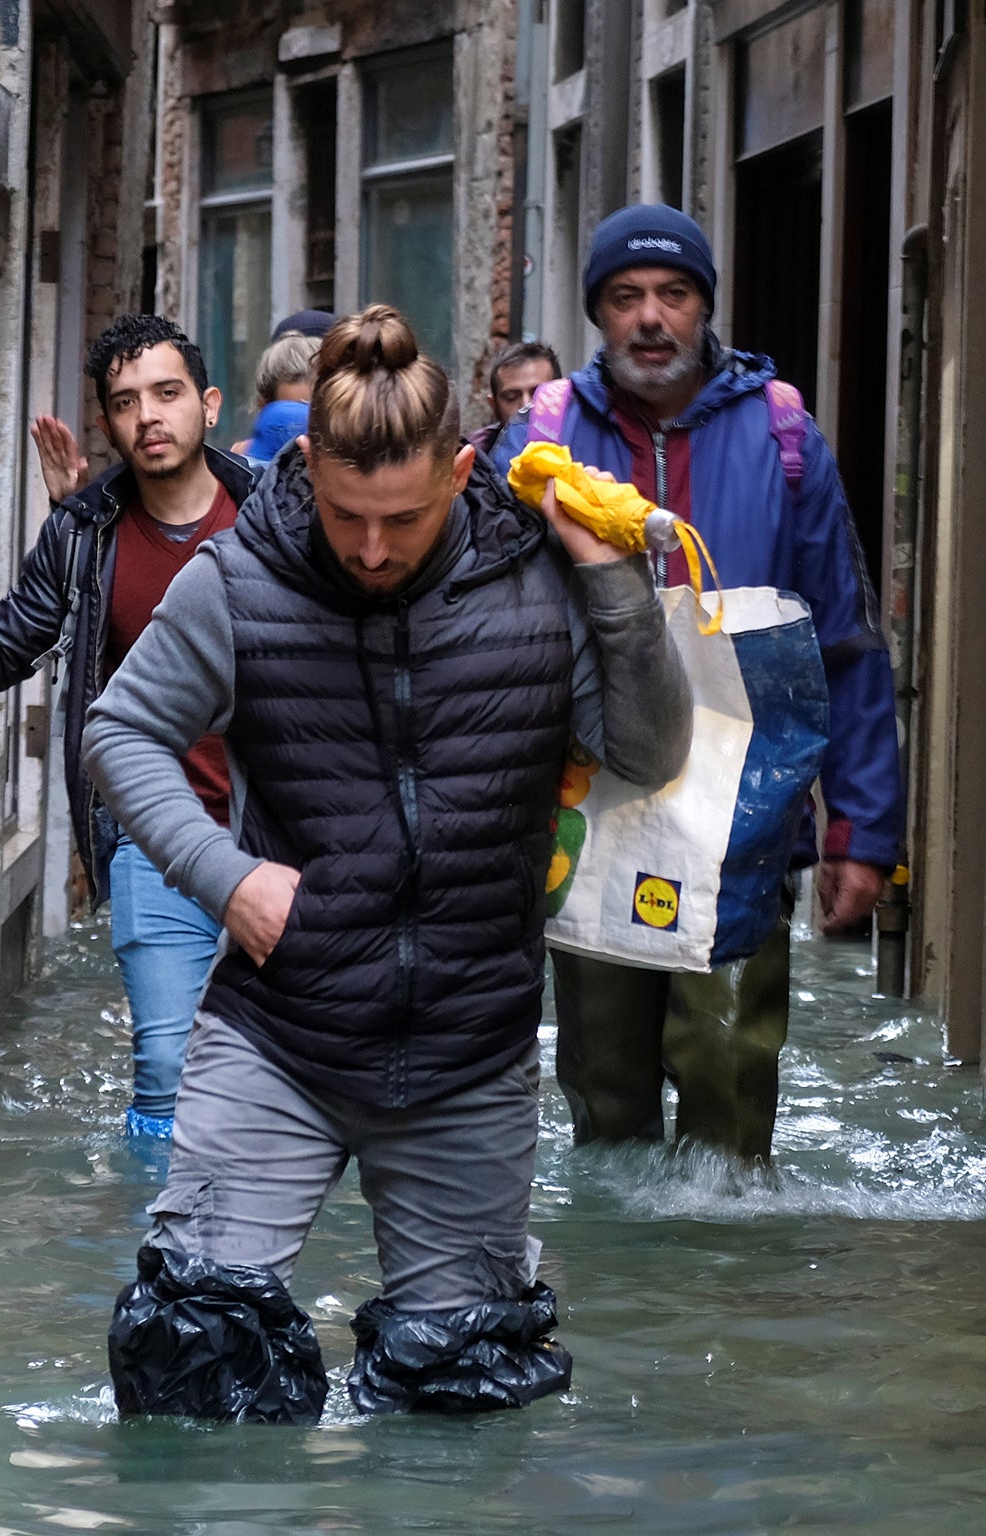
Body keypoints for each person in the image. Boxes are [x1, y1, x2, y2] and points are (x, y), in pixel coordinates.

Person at [82, 304, 691, 1421]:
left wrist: (609, 581)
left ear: (462, 471)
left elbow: (649, 752)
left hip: (468, 1048)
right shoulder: (239, 582)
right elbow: (118, 733)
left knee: (453, 1409)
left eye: (401, 520)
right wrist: (227, 878)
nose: (369, 548)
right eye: (344, 513)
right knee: (191, 1372)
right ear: (303, 465)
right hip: (280, 1034)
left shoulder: (541, 586)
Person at [495, 203, 904, 1165]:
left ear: (704, 307)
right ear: (598, 312)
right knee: (604, 1088)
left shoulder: (784, 435)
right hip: (591, 800)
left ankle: (719, 1288)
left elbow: (842, 643)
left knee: (730, 1074)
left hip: (746, 817)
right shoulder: (543, 439)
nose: (651, 317)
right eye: (627, 297)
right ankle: (623, 1297)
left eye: (674, 295)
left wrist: (861, 831)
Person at [0, 315, 253, 1139]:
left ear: (209, 404)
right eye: (126, 403)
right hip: (154, 832)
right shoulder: (82, 534)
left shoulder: (275, 515)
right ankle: (165, 1251)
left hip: (282, 827)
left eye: (167, 393)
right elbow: (3, 648)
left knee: (286, 1064)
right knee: (165, 1068)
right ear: (110, 423)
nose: (149, 416)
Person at [231, 331, 321, 464]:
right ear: (263, 406)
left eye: (317, 414)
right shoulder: (242, 465)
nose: (302, 439)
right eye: (289, 418)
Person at [465, 340, 561, 461]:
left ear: (562, 397)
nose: (526, 405)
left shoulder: (585, 443)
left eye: (538, 394)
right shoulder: (474, 459)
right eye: (511, 397)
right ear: (494, 406)